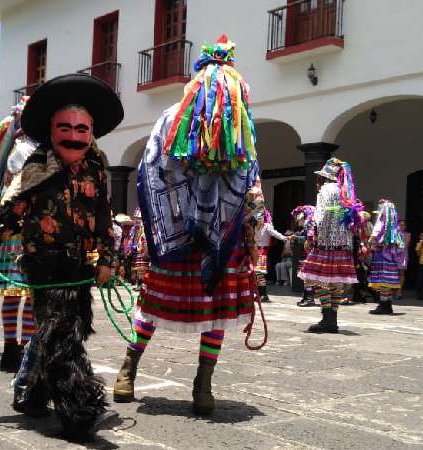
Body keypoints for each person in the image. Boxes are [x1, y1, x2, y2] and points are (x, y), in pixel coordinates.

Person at [0, 73, 123, 440]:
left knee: (68, 328)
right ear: (52, 131)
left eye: (83, 129)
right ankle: (80, 411)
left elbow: (103, 218)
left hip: (79, 265)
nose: (74, 135)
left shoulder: (97, 170)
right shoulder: (36, 167)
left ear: (92, 132)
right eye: (65, 127)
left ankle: (32, 392)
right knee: (63, 338)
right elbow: (11, 211)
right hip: (44, 265)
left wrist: (106, 259)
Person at [113, 35, 259, 415]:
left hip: (219, 235)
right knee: (155, 303)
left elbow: (248, 176)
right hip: (181, 234)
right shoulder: (172, 120)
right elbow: (156, 170)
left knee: (216, 311)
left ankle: (202, 381)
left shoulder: (240, 124)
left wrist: (247, 214)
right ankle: (130, 366)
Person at [0, 98, 38, 370]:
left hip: (15, 228)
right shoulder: (25, 149)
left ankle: (13, 349)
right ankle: (17, 349)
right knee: (25, 294)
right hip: (24, 229)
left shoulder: (20, 149)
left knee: (18, 294)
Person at [298, 158, 363, 333]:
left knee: (319, 280)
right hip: (344, 243)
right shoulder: (346, 192)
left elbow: (320, 215)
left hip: (326, 241)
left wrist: (312, 236)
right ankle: (332, 319)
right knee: (336, 283)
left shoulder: (326, 190)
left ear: (325, 177)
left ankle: (327, 318)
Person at [367, 199, 405, 315]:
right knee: (387, 281)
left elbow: (374, 239)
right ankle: (387, 305)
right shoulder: (394, 226)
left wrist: (372, 243)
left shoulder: (382, 223)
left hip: (382, 256)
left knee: (383, 281)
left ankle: (383, 305)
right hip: (391, 258)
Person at [254, 209, 289, 301]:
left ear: (264, 218)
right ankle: (258, 294)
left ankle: (264, 295)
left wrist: (284, 238)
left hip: (262, 252)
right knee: (255, 274)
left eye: (261, 217)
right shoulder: (254, 227)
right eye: (257, 217)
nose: (259, 219)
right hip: (253, 252)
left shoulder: (267, 227)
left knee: (259, 273)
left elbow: (275, 233)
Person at [291, 205, 317, 307]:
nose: (298, 221)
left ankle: (310, 298)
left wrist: (296, 237)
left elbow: (309, 240)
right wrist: (296, 237)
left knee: (308, 277)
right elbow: (305, 238)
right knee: (305, 276)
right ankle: (306, 297)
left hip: (310, 254)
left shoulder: (310, 226)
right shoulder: (307, 228)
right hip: (306, 254)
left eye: (299, 218)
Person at [396, 219, 410, 299]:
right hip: (394, 254)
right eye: (400, 225)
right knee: (393, 272)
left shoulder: (407, 234)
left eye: (404, 225)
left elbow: (406, 244)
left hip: (403, 254)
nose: (402, 226)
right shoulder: (394, 234)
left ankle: (399, 291)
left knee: (401, 273)